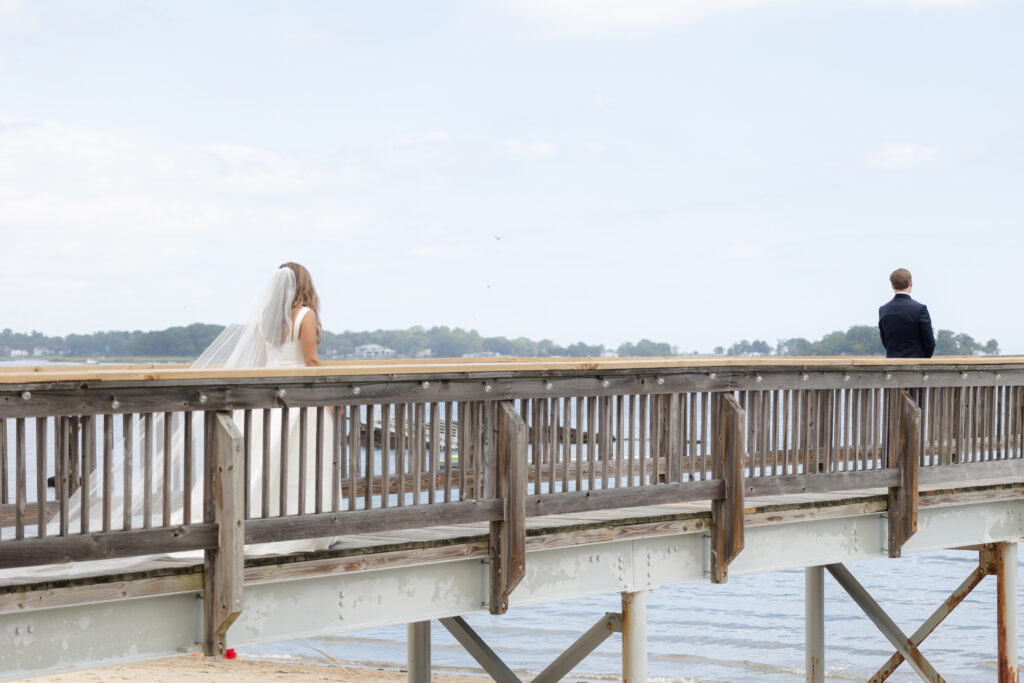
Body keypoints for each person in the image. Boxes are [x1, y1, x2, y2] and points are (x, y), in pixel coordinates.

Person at [878, 268, 935, 359]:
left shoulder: (883, 309)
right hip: (917, 363)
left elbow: (885, 341)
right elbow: (929, 342)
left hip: (892, 363)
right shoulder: (920, 309)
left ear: (892, 285)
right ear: (911, 283)